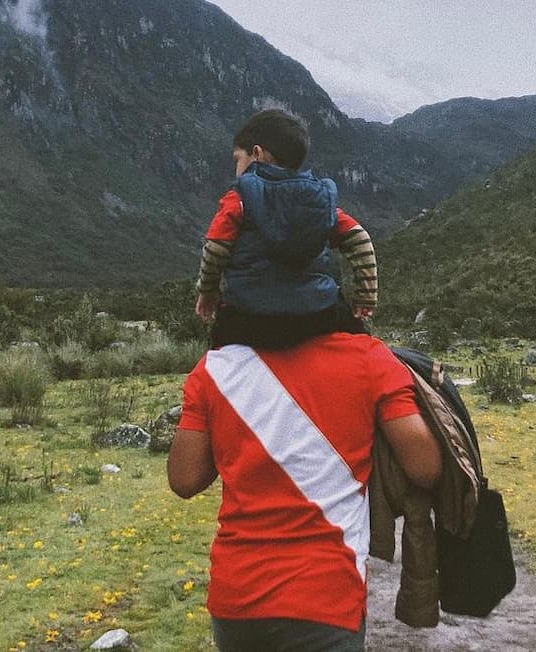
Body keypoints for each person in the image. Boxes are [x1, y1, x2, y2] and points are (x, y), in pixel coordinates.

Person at [167, 333, 442, 652]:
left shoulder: (214, 367)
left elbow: (184, 479)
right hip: (327, 597)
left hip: (237, 597)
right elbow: (426, 469)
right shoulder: (370, 359)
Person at [195, 109, 378, 349]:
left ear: (257, 154)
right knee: (359, 341)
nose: (236, 167)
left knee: (219, 350)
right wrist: (365, 295)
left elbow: (216, 247)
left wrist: (208, 291)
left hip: (251, 318)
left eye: (237, 158)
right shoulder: (319, 199)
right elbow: (359, 239)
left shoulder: (238, 197)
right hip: (318, 314)